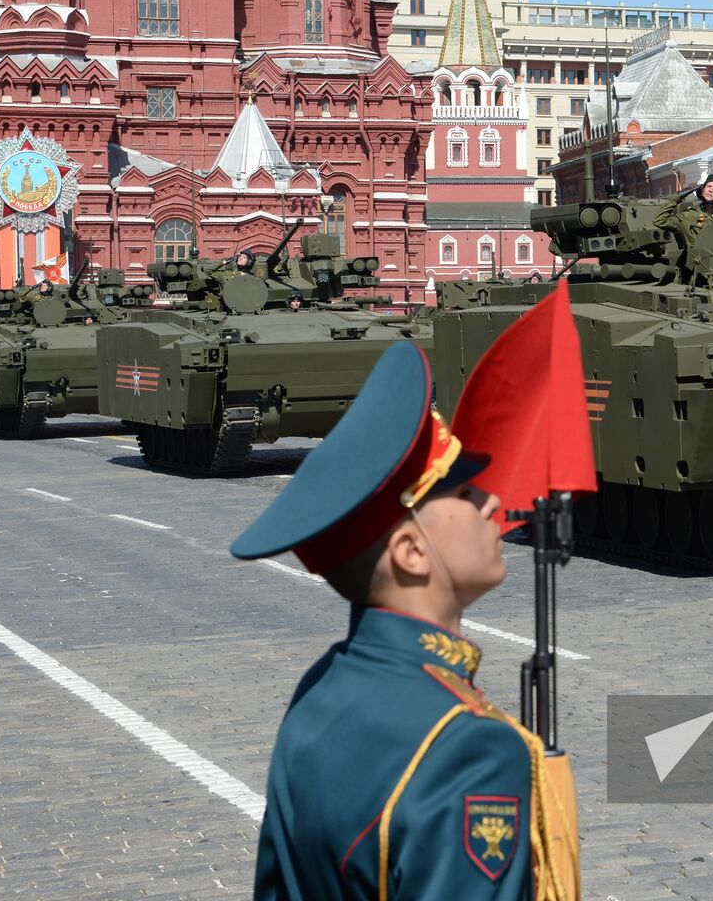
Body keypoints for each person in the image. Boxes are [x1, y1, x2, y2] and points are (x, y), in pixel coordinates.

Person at [231, 342, 567, 901]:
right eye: (464, 492)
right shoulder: (470, 748)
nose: (491, 503)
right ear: (412, 552)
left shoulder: (321, 689)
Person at [653, 172, 713, 253]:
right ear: (702, 189)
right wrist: (678, 197)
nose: (710, 190)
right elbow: (659, 221)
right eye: (708, 186)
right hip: (699, 262)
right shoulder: (689, 216)